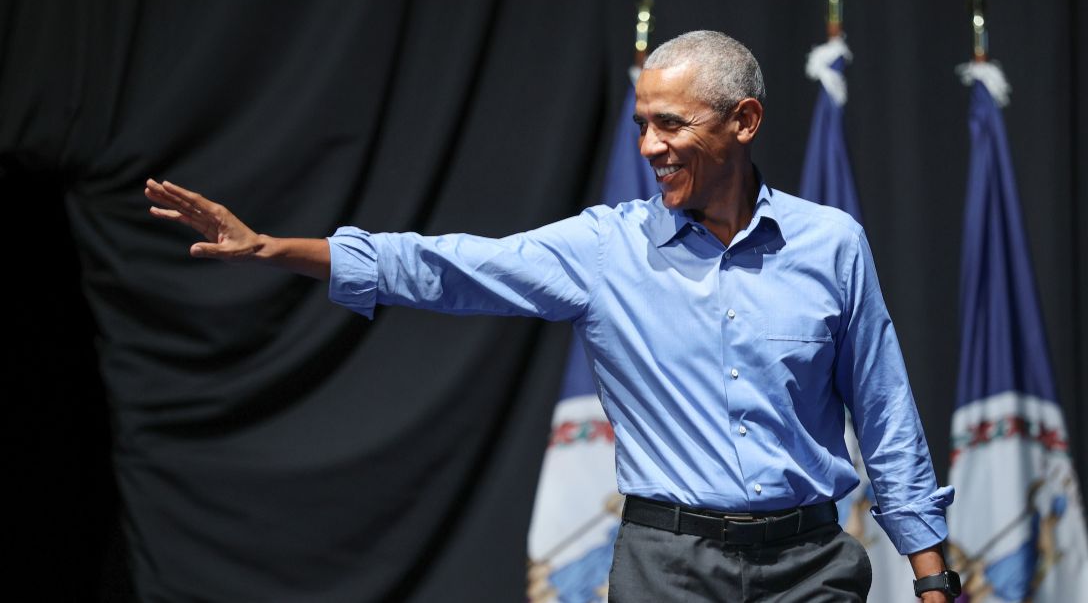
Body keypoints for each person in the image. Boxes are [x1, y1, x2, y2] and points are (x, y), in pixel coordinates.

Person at [146, 30, 959, 602]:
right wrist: (271, 249)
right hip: (667, 572)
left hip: (809, 567)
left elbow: (885, 414)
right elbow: (444, 266)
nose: (649, 146)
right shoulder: (604, 249)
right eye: (642, 123)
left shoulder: (831, 243)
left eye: (670, 123)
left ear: (743, 122)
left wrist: (930, 576)